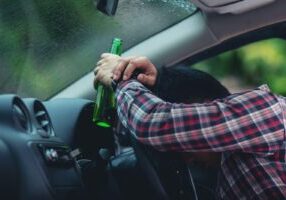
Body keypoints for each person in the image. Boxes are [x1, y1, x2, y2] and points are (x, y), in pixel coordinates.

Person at [94, 53, 286, 199]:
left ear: (203, 107)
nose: (184, 158)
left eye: (180, 143)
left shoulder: (266, 109)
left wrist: (119, 78)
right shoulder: (225, 176)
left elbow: (150, 122)